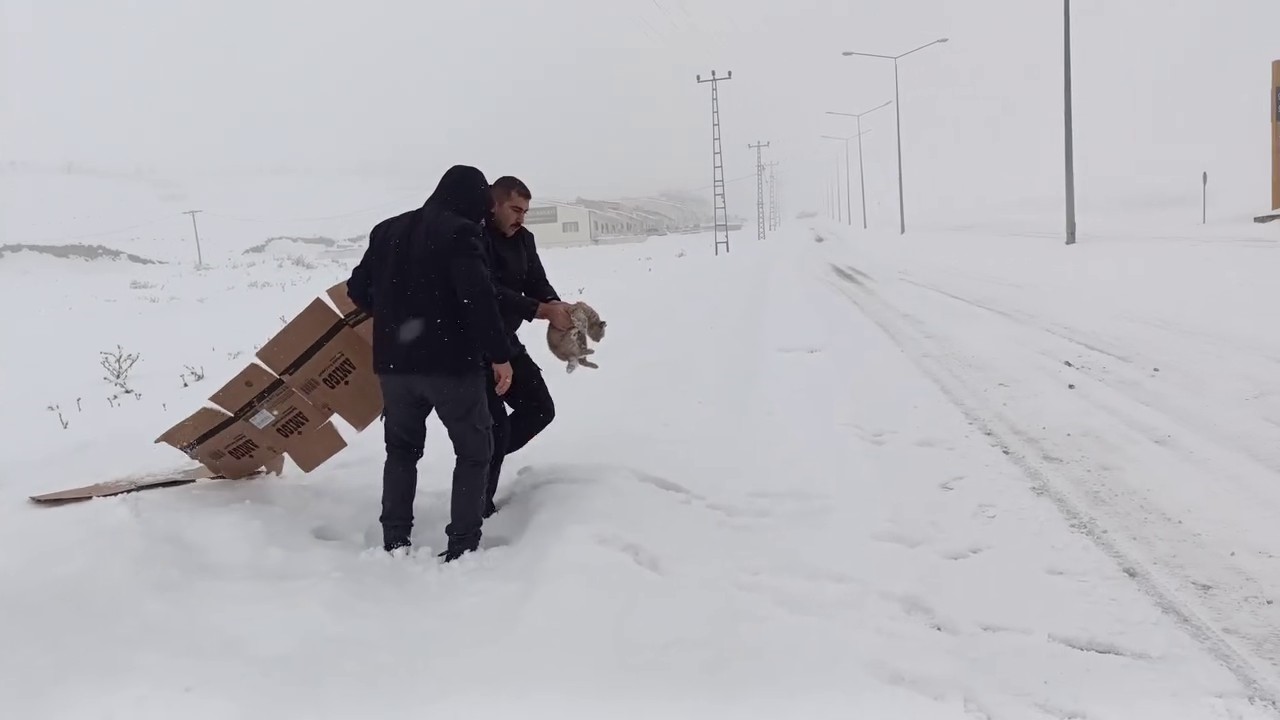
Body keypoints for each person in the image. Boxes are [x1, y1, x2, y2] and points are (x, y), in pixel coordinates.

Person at [346, 164, 514, 562]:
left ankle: (395, 539)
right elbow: (479, 299)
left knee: (401, 451)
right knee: (474, 451)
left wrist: (393, 317)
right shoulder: (460, 232)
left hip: (395, 368)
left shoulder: (387, 230)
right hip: (450, 365)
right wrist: (500, 356)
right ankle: (463, 544)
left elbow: (356, 289)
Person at [482, 176, 573, 517]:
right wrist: (539, 310)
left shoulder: (523, 239)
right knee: (495, 425)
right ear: (495, 204)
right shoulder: (475, 238)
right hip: (478, 343)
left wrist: (556, 304)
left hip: (508, 340)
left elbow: (535, 280)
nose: (521, 217)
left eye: (525, 211)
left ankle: (482, 459)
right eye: (515, 209)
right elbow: (485, 291)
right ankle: (478, 506)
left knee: (539, 409)